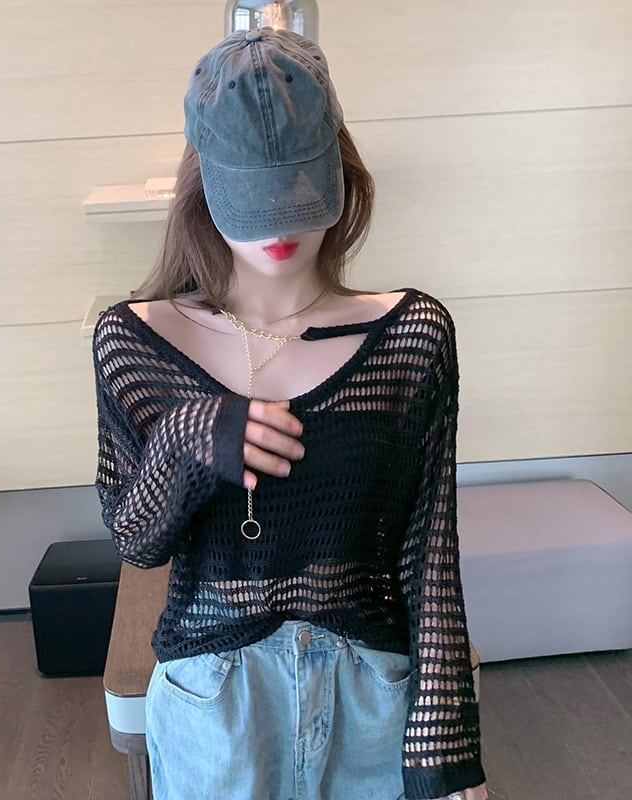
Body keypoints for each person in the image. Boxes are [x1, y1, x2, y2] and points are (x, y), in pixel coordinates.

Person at [93, 26, 489, 800]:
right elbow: (136, 540)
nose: (280, 227)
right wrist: (188, 437)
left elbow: (428, 549)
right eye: (253, 196)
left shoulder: (410, 336)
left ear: (339, 171)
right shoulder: (137, 341)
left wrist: (447, 733)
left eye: (301, 189)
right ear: (204, 182)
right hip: (215, 706)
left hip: (372, 695)